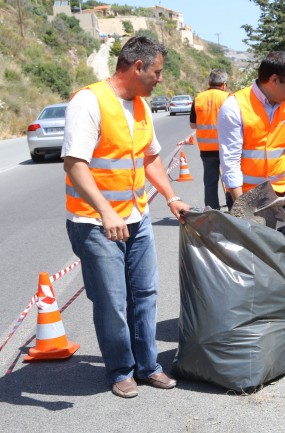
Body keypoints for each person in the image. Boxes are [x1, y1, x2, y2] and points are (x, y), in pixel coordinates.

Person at [62, 36, 190, 398]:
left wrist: (171, 196)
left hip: (136, 217)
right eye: (157, 72)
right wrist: (106, 211)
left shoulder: (140, 107)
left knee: (145, 293)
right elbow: (75, 164)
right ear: (137, 67)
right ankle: (120, 370)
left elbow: (149, 158)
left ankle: (147, 366)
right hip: (95, 223)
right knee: (112, 301)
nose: (160, 80)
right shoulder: (89, 102)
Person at [218, 51, 285, 335]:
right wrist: (242, 207)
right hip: (250, 196)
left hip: (282, 193)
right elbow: (229, 163)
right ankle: (255, 323)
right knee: (253, 261)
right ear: (273, 80)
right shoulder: (235, 106)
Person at [190, 68, 232, 210]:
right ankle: (234, 208)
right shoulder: (228, 98)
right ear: (224, 84)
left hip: (206, 149)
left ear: (209, 82)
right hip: (226, 147)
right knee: (230, 178)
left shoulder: (198, 99)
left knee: (210, 182)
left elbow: (193, 124)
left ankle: (212, 211)